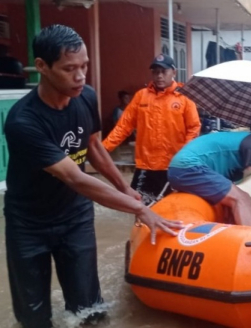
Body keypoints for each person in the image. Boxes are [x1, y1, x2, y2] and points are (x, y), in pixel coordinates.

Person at [3, 25, 184, 328]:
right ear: (42, 67)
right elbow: (75, 178)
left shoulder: (86, 96)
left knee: (89, 310)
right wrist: (140, 208)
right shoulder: (24, 121)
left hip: (75, 216)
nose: (80, 76)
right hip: (29, 223)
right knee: (33, 317)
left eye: (84, 66)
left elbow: (93, 147)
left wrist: (125, 189)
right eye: (69, 68)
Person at [103, 54, 201, 205]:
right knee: (139, 207)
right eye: (155, 72)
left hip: (173, 166)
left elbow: (193, 128)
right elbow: (123, 126)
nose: (159, 76)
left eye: (164, 71)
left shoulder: (184, 98)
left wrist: (185, 156)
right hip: (146, 166)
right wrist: (103, 149)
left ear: (173, 72)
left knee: (172, 208)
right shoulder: (141, 96)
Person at [168, 110, 251, 226]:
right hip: (190, 167)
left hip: (177, 168)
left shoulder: (244, 139)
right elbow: (249, 185)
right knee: (242, 198)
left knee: (234, 198)